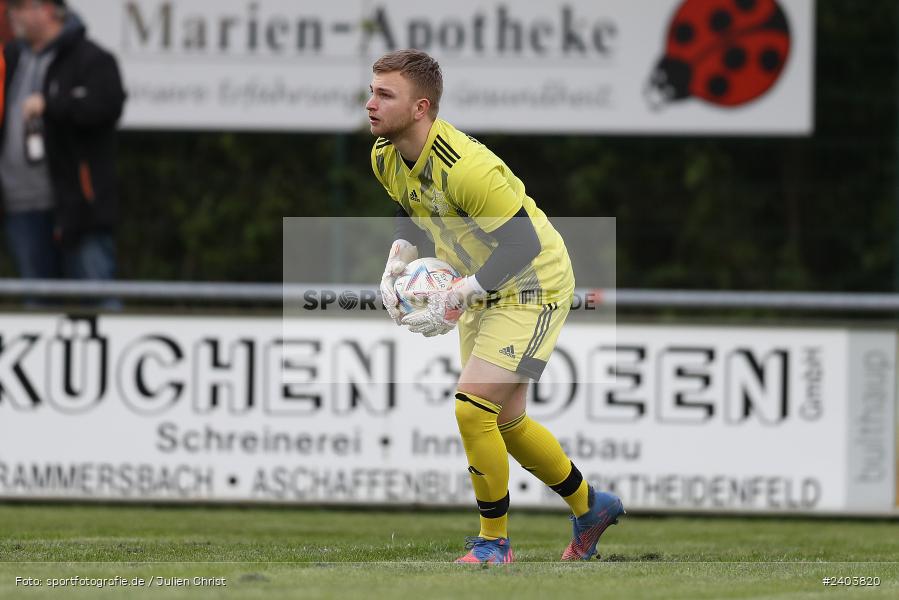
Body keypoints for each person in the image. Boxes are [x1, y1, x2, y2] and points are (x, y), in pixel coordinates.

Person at [367, 49, 625, 564]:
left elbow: (523, 244)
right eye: (372, 91)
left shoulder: (468, 167)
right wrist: (401, 252)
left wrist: (463, 292)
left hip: (533, 281)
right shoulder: (383, 154)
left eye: (384, 94)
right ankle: (591, 507)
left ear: (421, 108)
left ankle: (494, 543)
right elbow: (408, 206)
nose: (370, 103)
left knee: (471, 407)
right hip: (484, 282)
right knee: (502, 421)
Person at [0, 0, 125, 299]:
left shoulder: (91, 58)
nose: (11, 14)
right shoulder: (13, 57)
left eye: (20, 7)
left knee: (97, 299)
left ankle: (101, 346)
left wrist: (52, 105)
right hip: (20, 205)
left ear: (47, 10)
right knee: (39, 307)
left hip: (77, 207)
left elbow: (107, 106)